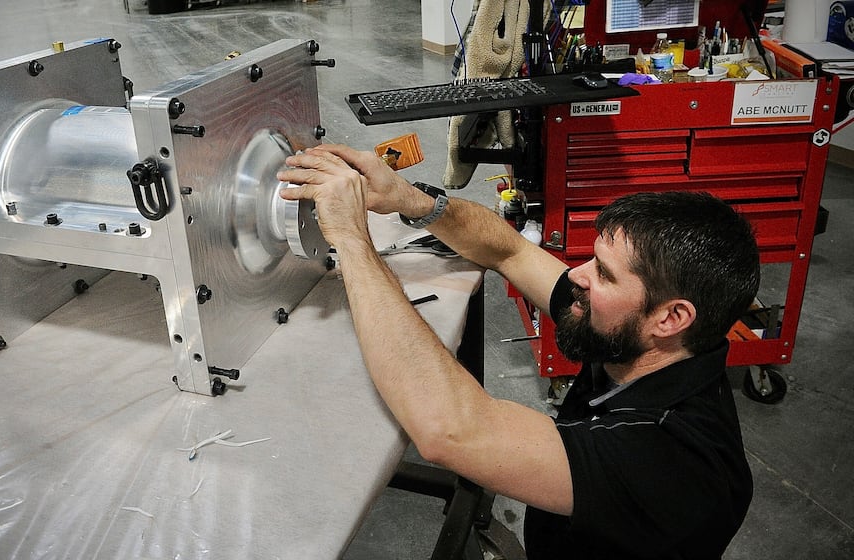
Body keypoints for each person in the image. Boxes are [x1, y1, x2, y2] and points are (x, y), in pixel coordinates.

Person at [277, 144, 759, 559]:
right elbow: (510, 251)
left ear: (672, 318)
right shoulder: (638, 339)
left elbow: (451, 430)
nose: (576, 276)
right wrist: (408, 199)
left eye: (605, 274)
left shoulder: (671, 457)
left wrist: (351, 239)